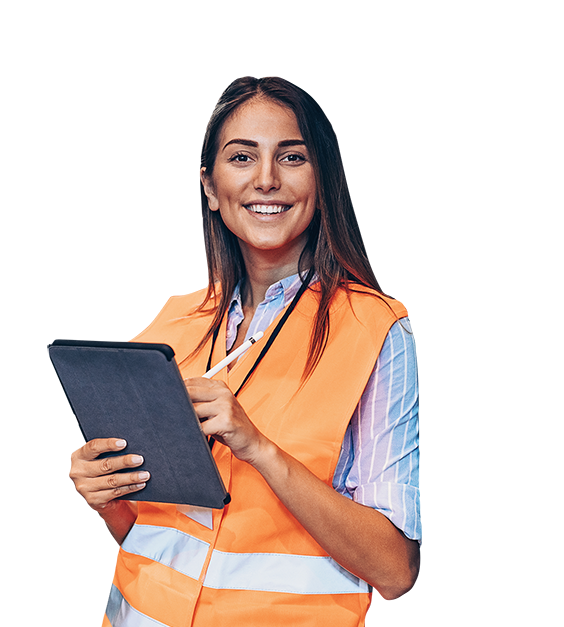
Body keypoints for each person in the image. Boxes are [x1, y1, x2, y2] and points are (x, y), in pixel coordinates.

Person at [68, 77, 421, 627]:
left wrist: (259, 448)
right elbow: (155, 534)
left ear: (321, 180)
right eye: (242, 157)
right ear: (210, 186)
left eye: (293, 157)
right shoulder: (172, 328)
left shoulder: (377, 333)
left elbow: (396, 570)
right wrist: (108, 493)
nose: (266, 180)